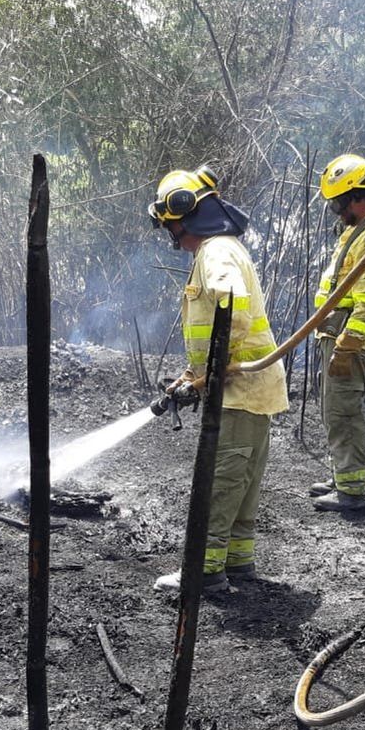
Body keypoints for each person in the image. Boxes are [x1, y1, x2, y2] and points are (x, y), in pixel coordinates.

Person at [148, 166, 289, 595]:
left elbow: (232, 308)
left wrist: (209, 376)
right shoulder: (217, 250)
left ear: (185, 212)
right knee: (240, 482)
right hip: (249, 390)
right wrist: (191, 378)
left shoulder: (216, 253)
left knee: (221, 481)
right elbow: (218, 326)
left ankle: (204, 572)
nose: (171, 235)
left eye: (170, 224)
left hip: (240, 390)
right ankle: (238, 561)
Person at [309, 154, 365, 511]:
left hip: (349, 343)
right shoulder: (356, 232)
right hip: (336, 337)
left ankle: (351, 492)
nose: (335, 210)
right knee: (334, 410)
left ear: (357, 198)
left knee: (344, 413)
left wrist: (348, 346)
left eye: (338, 203)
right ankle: (341, 475)